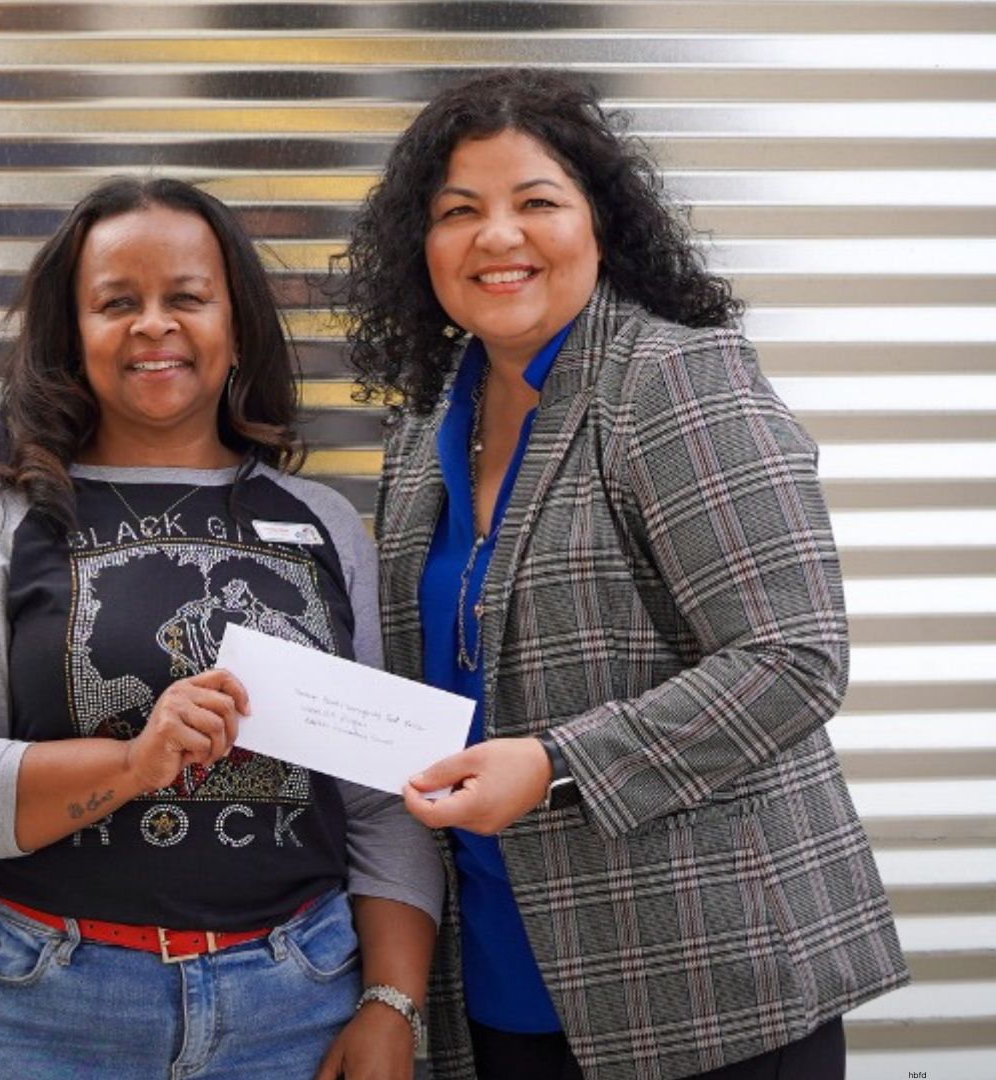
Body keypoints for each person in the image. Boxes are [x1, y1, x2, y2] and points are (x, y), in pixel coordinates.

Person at [332, 67, 909, 1080]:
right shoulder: (426, 429)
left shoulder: (673, 381)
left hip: (709, 981)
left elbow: (794, 656)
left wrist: (554, 763)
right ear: (420, 247)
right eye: (458, 211)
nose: (496, 236)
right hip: (500, 986)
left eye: (536, 202)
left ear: (602, 225)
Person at [0, 176, 444, 1080]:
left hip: (292, 1012)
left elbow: (380, 801)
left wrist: (391, 1002)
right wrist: (134, 764)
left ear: (235, 323)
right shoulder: (0, 520)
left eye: (187, 298)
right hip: (28, 1012)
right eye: (117, 303)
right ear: (74, 335)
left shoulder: (324, 524)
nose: (154, 325)